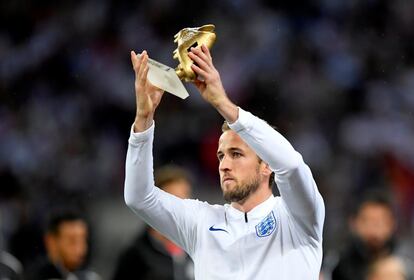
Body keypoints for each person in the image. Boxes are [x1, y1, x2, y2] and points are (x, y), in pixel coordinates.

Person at [124, 45, 325, 279]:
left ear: (267, 164)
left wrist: (224, 105)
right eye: (221, 155)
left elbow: (291, 166)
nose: (224, 165)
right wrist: (143, 120)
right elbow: (139, 197)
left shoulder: (297, 217)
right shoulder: (200, 223)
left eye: (236, 154)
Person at [113, 165, 194, 280]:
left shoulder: (196, 248)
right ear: (155, 204)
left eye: (185, 198)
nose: (181, 206)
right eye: (174, 199)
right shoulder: (136, 255)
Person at [331, 191, 399, 280]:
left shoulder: (405, 264)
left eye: (379, 222)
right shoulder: (337, 265)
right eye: (367, 221)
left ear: (392, 224)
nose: (374, 230)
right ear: (353, 223)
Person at [25, 210, 101, 280]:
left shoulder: (88, 276)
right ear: (51, 241)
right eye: (72, 241)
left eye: (83, 240)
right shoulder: (33, 276)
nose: (81, 249)